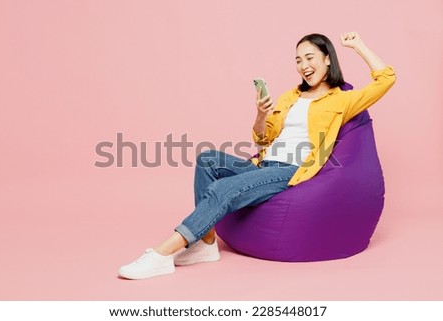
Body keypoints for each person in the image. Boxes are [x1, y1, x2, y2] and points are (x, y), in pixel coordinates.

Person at [118, 32, 396, 280]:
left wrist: (358, 46)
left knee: (222, 188)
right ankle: (206, 244)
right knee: (207, 160)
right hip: (263, 164)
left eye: (309, 57)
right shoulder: (291, 97)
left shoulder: (342, 100)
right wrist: (261, 113)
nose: (303, 66)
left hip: (291, 170)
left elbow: (386, 79)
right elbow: (263, 138)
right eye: (298, 60)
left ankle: (162, 254)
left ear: (327, 59)